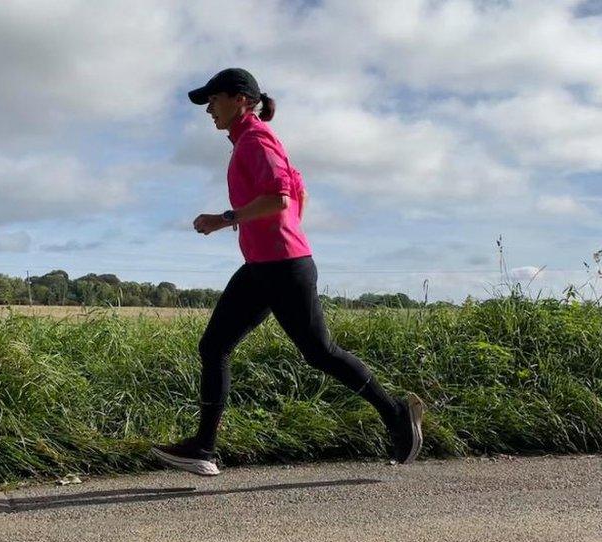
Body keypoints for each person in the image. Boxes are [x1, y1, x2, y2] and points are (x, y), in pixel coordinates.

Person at [151, 68, 424, 476]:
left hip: (282, 267)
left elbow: (280, 197)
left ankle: (396, 412)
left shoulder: (256, 140)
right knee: (217, 347)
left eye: (214, 99)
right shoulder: (252, 140)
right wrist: (285, 232)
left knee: (319, 353)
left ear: (241, 99)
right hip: (268, 265)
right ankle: (203, 448)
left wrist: (225, 219)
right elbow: (300, 192)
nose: (208, 108)